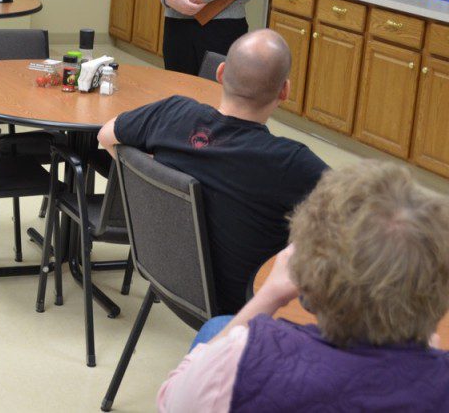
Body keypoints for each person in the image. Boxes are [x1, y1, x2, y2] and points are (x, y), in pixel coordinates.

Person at [158, 162, 449, 411]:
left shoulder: (241, 357)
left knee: (216, 327)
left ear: (307, 283)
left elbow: (171, 399)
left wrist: (270, 294)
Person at [98, 29, 327, 314]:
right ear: (285, 91)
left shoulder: (173, 113)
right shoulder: (290, 163)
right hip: (244, 308)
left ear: (220, 73)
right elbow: (363, 219)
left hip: (168, 280)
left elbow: (106, 135)